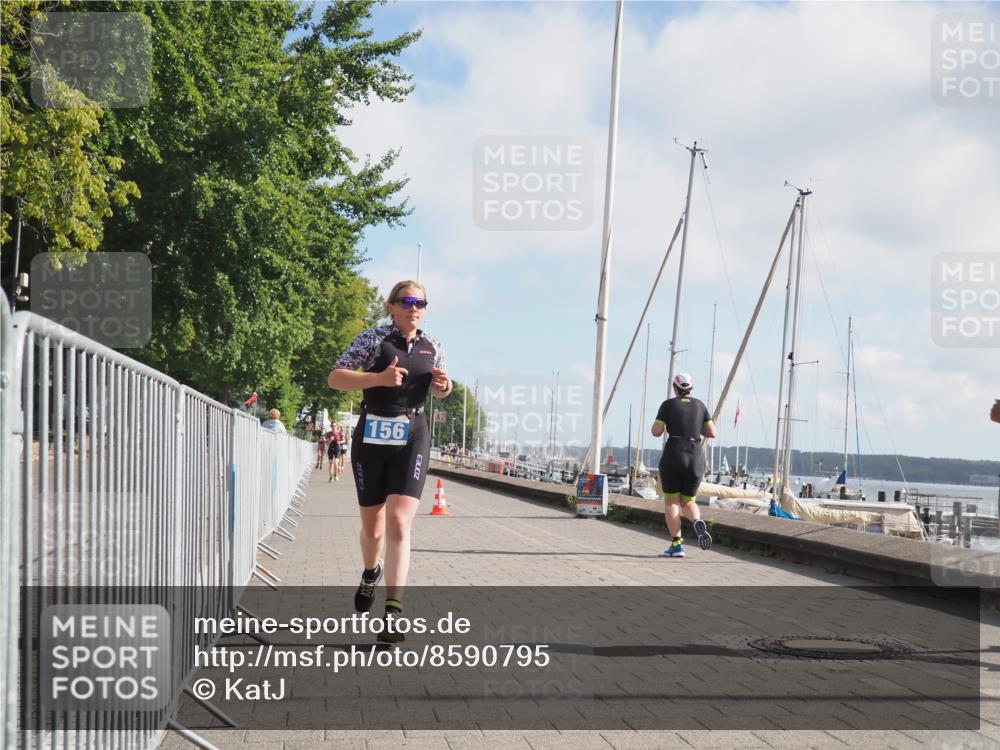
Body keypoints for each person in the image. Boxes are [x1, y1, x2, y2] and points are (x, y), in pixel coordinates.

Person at [328, 280, 451, 642]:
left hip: (413, 433)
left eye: (422, 302)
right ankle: (370, 571)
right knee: (374, 529)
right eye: (408, 301)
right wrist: (378, 378)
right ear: (392, 306)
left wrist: (444, 386)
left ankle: (393, 612)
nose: (415, 307)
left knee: (399, 522)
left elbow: (444, 389)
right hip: (371, 434)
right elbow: (335, 378)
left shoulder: (434, 347)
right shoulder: (372, 340)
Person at [651, 373, 717, 558]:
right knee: (688, 501)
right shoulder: (700, 405)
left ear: (675, 388)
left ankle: (677, 545)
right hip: (695, 455)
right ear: (691, 389)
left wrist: (666, 425)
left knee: (671, 502)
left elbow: (656, 431)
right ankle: (696, 521)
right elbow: (712, 432)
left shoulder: (668, 405)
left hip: (674, 454)